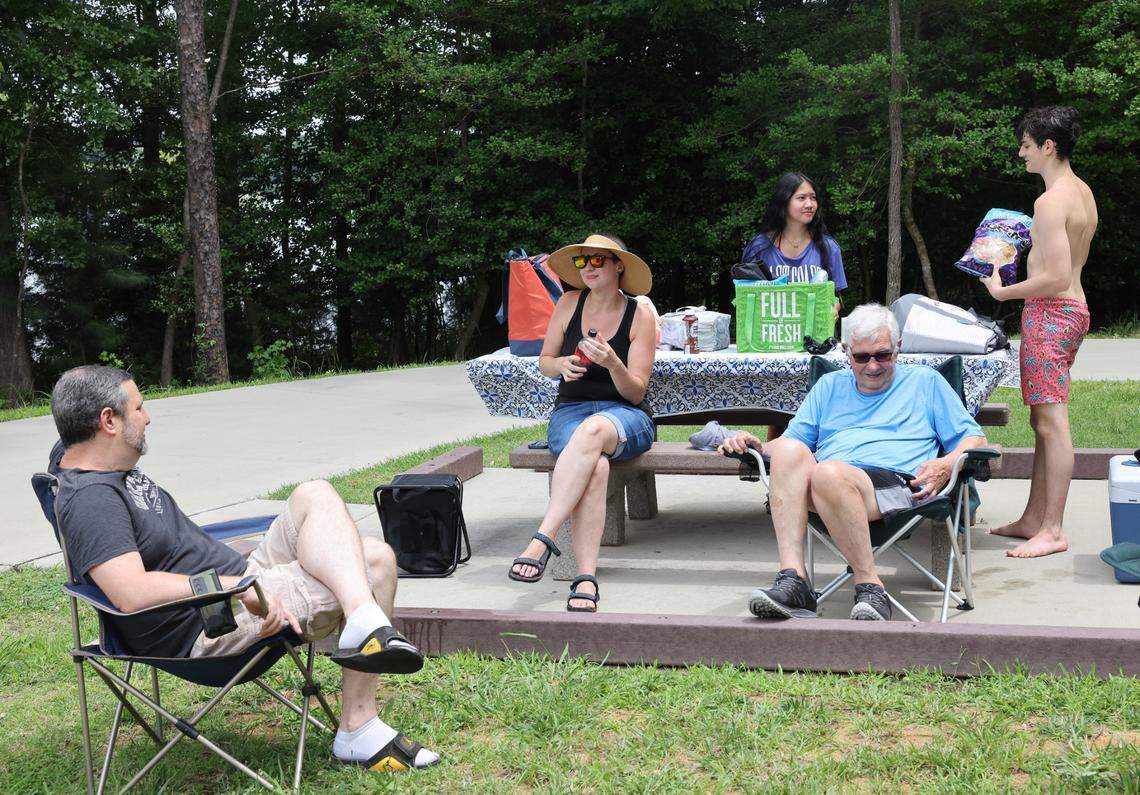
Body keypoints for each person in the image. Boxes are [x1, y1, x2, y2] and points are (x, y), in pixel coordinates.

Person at [48, 365, 439, 773]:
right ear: (108, 421)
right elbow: (131, 591)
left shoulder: (96, 460)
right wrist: (239, 587)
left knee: (314, 494)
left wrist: (241, 578)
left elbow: (70, 442)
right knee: (374, 562)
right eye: (139, 408)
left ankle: (362, 620)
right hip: (211, 620)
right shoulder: (92, 500)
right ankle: (359, 725)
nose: (148, 418)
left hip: (236, 581)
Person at [718, 304, 987, 621]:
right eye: (862, 357)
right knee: (792, 452)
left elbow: (976, 439)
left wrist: (947, 462)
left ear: (898, 349)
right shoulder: (829, 387)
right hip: (826, 483)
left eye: (883, 355)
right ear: (846, 352)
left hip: (896, 485)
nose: (873, 366)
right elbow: (792, 443)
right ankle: (793, 579)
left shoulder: (926, 382)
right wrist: (755, 445)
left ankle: (870, 586)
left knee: (828, 473)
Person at [507, 233, 657, 612]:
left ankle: (543, 537)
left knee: (593, 432)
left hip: (626, 416)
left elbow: (636, 392)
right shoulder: (569, 302)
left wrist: (612, 363)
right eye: (581, 261)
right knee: (597, 466)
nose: (588, 267)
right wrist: (561, 365)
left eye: (597, 260)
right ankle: (585, 579)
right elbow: (545, 360)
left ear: (618, 265)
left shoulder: (640, 313)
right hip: (570, 411)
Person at [980, 106, 1097, 559]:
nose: (1021, 153)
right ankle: (1034, 518)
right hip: (1072, 313)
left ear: (1048, 146)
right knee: (1041, 422)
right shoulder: (1082, 192)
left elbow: (1056, 276)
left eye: (1026, 145)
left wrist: (1003, 291)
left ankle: (1053, 529)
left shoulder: (1050, 201)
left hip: (1051, 314)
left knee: (1052, 421)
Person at [740, 172, 848, 438]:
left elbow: (838, 296)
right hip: (771, 348)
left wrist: (834, 307)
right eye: (801, 198)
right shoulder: (759, 247)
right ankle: (775, 467)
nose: (810, 204)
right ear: (784, 202)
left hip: (815, 350)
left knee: (817, 418)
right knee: (777, 416)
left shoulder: (828, 248)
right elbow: (746, 296)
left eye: (813, 198)